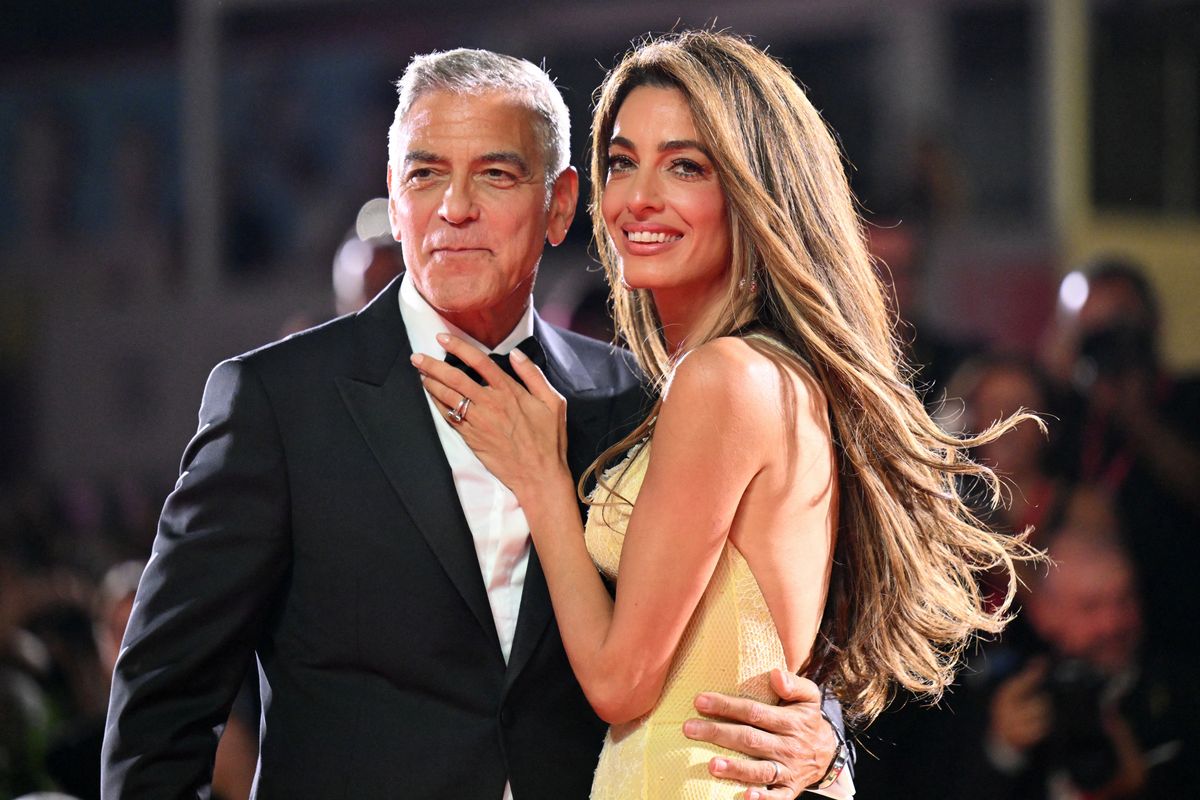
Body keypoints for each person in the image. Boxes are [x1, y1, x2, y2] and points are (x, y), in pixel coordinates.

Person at [101, 48, 849, 799]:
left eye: (495, 175)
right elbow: (163, 705)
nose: (454, 207)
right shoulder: (278, 404)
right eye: (425, 175)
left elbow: (746, 627)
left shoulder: (634, 400)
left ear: (560, 205)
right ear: (395, 200)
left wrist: (825, 738)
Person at [416, 31, 1035, 799]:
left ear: (751, 189)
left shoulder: (727, 380)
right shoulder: (734, 377)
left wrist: (543, 480)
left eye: (685, 165)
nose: (637, 196)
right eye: (621, 161)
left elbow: (619, 683)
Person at [956, 515, 1198, 798]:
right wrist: (1002, 751)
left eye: (1125, 599)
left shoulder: (1183, 691)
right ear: (1044, 614)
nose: (1112, 624)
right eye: (1090, 607)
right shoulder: (1008, 696)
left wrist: (1141, 787)